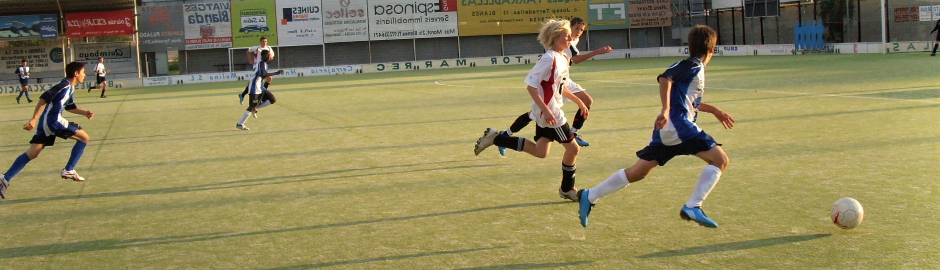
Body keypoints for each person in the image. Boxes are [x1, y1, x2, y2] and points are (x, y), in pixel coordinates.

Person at [577, 25, 735, 228]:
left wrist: (713, 110)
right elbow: (665, 78)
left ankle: (590, 195)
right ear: (712, 50)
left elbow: (688, 101)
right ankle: (693, 206)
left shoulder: (693, 67)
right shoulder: (693, 65)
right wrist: (665, 109)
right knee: (720, 160)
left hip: (669, 129)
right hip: (678, 126)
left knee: (638, 172)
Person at [473, 18, 589, 202]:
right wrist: (547, 111)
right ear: (554, 38)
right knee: (573, 149)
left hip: (547, 113)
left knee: (540, 152)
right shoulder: (549, 59)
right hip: (551, 114)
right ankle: (567, 189)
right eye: (566, 36)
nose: (570, 39)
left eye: (569, 36)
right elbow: (531, 87)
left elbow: (561, 86)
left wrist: (578, 101)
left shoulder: (563, 58)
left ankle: (496, 138)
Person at [497, 17, 613, 155]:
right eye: (575, 29)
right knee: (568, 145)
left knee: (541, 149)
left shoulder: (568, 45)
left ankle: (502, 137)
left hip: (561, 78)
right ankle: (503, 136)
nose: (578, 32)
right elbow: (576, 59)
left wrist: (578, 101)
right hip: (553, 81)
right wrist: (597, 52)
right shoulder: (555, 53)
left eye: (581, 30)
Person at [0, 62, 95, 199]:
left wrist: (84, 113)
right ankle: (69, 169)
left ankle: (4, 178)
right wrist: (33, 118)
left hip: (45, 123)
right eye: (83, 72)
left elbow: (70, 107)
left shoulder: (70, 87)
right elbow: (44, 98)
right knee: (84, 138)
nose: (85, 75)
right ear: (76, 73)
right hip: (53, 122)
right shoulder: (63, 86)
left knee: (33, 153)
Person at [236, 50, 283, 130]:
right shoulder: (261, 64)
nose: (268, 57)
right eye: (267, 55)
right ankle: (240, 124)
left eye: (269, 55)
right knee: (251, 107)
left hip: (260, 87)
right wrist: (276, 73)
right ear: (263, 56)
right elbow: (263, 74)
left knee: (272, 99)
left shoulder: (264, 64)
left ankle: (255, 108)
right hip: (254, 88)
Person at [239, 37, 275, 105]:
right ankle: (259, 94)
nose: (264, 42)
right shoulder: (256, 48)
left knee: (265, 80)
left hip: (264, 67)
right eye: (263, 41)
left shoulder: (269, 48)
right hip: (257, 67)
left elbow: (272, 57)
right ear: (260, 42)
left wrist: (270, 57)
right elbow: (248, 51)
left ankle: (243, 94)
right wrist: (250, 60)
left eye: (265, 41)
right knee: (257, 81)